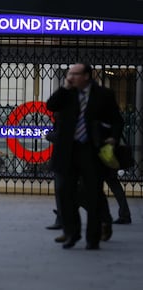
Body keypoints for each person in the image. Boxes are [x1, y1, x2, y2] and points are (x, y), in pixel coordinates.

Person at [46, 63, 124, 250]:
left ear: (87, 76)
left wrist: (113, 136)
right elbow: (51, 105)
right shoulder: (66, 93)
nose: (71, 77)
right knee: (65, 192)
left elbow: (116, 119)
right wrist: (64, 87)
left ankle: (93, 237)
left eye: (75, 74)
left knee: (93, 194)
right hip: (68, 150)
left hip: (91, 150)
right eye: (69, 73)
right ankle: (72, 233)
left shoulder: (103, 95)